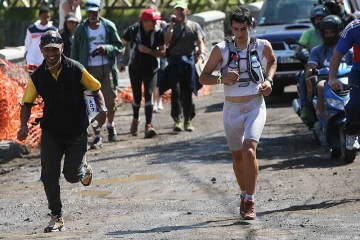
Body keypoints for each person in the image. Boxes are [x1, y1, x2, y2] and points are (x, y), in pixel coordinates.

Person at [17, 30, 107, 232]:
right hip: (51, 132)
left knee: (72, 177)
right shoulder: (38, 76)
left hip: (76, 132)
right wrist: (23, 126)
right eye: (47, 49)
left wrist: (102, 110)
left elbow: (96, 88)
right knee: (49, 175)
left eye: (55, 49)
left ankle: (83, 168)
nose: (51, 53)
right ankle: (56, 216)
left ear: (62, 48)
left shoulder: (75, 69)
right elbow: (26, 102)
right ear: (41, 50)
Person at [199, 6, 276, 220]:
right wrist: (222, 79)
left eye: (243, 29)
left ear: (250, 26)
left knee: (249, 151)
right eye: (235, 29)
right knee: (237, 157)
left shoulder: (262, 46)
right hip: (231, 109)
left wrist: (269, 80)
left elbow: (272, 61)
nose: (240, 34)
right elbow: (203, 77)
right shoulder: (221, 48)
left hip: (254, 105)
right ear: (231, 28)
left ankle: (250, 200)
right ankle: (243, 194)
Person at [71, 0, 123, 149]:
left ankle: (111, 125)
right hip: (88, 71)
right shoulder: (81, 29)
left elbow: (119, 46)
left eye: (95, 12)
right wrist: (74, 72)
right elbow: (75, 51)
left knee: (110, 101)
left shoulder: (108, 26)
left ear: (99, 11)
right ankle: (98, 135)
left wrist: (106, 48)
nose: (93, 15)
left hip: (106, 69)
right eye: (90, 12)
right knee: (91, 105)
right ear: (86, 12)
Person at [121, 8, 166, 138]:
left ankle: (149, 125)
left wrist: (149, 51)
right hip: (135, 68)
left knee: (149, 94)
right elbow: (121, 44)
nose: (155, 24)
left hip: (151, 68)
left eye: (155, 21)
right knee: (136, 97)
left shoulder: (158, 32)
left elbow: (163, 53)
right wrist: (121, 61)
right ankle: (135, 119)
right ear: (144, 21)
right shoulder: (133, 30)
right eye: (152, 21)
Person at [163, 0, 205, 133]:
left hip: (188, 63)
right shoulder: (171, 26)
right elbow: (165, 41)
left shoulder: (193, 26)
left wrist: (202, 53)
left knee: (187, 92)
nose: (179, 12)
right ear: (174, 12)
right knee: (175, 92)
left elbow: (200, 41)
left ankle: (188, 120)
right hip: (174, 63)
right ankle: (177, 120)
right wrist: (171, 26)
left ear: (186, 11)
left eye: (182, 10)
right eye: (177, 10)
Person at [307, 15, 352, 120]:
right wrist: (312, 70)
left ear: (339, 32)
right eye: (326, 32)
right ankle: (322, 119)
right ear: (322, 33)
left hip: (347, 81)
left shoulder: (349, 50)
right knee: (321, 86)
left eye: (331, 32)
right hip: (325, 80)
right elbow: (310, 68)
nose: (328, 35)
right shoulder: (316, 51)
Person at [328, 17, 360, 150]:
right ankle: (351, 134)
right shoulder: (354, 27)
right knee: (355, 104)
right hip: (359, 73)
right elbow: (338, 54)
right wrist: (332, 78)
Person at [295, 4, 330, 120]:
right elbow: (298, 50)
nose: (319, 21)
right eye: (317, 19)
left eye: (322, 18)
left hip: (332, 66)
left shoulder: (335, 33)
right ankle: (305, 106)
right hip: (314, 65)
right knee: (303, 78)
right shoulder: (308, 33)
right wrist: (301, 55)